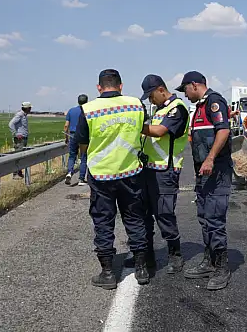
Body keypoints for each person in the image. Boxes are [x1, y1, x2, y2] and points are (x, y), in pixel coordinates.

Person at [76, 69, 153, 289]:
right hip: (131, 173)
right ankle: (141, 269)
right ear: (121, 86)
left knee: (103, 222)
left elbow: (83, 144)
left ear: (99, 87)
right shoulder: (136, 105)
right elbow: (142, 130)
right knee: (135, 219)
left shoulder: (88, 109)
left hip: (101, 176)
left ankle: (108, 273)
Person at [175, 71, 233, 291]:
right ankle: (209, 261)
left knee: (215, 217)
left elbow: (223, 130)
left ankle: (222, 267)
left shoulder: (214, 101)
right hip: (204, 173)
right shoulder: (199, 107)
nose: (185, 94)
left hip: (216, 171)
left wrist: (210, 158)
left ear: (194, 85)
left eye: (185, 90)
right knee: (204, 216)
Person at [137, 74, 190, 274]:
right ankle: (147, 257)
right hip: (149, 169)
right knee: (144, 215)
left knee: (164, 214)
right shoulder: (160, 109)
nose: (150, 100)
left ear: (161, 89)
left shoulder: (177, 108)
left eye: (151, 96)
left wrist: (135, 127)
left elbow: (159, 131)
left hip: (165, 171)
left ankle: (175, 255)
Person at [64, 94, 89, 186]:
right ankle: (81, 179)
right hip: (83, 136)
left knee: (72, 156)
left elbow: (66, 125)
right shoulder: (87, 111)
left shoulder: (71, 111)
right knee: (83, 157)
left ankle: (69, 173)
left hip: (73, 135)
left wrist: (66, 137)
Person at [8, 102, 31, 179]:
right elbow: (11, 124)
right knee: (18, 155)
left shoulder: (24, 115)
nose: (30, 109)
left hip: (23, 138)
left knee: (21, 156)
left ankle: (19, 172)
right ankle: (15, 174)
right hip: (19, 139)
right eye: (30, 108)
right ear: (27, 108)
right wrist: (16, 133)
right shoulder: (20, 115)